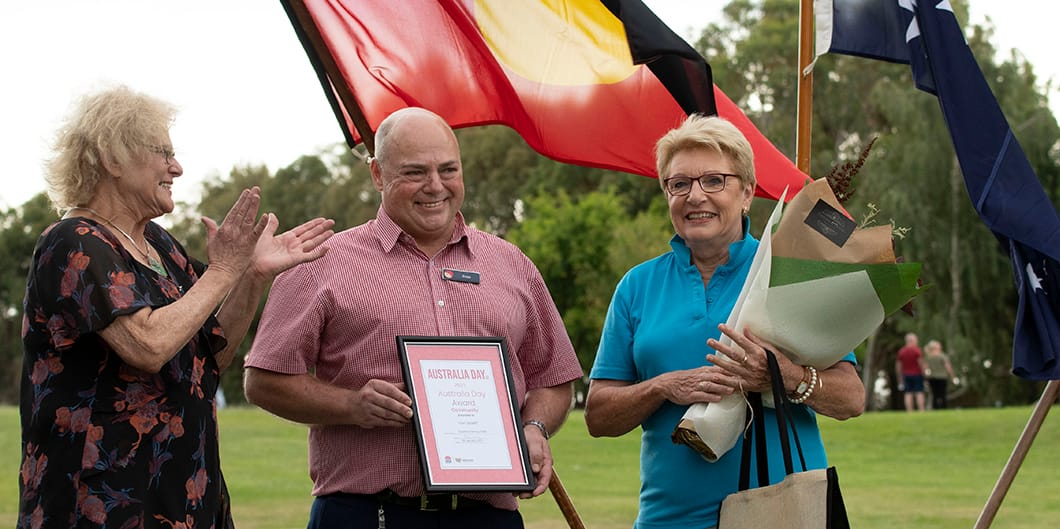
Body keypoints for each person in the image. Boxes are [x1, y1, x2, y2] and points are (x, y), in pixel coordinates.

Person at [243, 107, 583, 529]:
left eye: (448, 169)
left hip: (487, 518)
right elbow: (263, 381)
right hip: (368, 515)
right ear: (377, 174)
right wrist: (350, 405)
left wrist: (533, 428)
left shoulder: (511, 264)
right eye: (415, 172)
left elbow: (554, 376)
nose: (435, 186)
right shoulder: (320, 263)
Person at [17, 85, 335, 529]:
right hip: (100, 506)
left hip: (183, 499)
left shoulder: (161, 247)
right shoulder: (73, 242)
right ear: (112, 158)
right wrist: (224, 271)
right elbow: (148, 345)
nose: (177, 167)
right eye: (163, 152)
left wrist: (252, 276)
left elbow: (208, 358)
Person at [584, 114, 865, 529]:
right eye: (679, 184)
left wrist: (781, 376)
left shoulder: (787, 270)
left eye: (714, 180)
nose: (695, 196)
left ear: (748, 192)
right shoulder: (636, 286)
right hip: (669, 519)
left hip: (783, 515)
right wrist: (664, 386)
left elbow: (851, 398)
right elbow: (598, 416)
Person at [895, 332, 926, 412]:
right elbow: (920, 363)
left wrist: (900, 378)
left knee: (908, 393)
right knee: (919, 392)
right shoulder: (917, 350)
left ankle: (909, 411)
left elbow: (898, 366)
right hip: (917, 374)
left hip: (906, 375)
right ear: (912, 340)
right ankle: (921, 410)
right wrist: (924, 373)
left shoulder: (902, 351)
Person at [923, 339, 958, 409]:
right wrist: (952, 376)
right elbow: (948, 367)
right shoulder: (942, 356)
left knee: (934, 394)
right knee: (943, 393)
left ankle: (935, 407)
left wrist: (926, 377)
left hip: (932, 377)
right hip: (942, 377)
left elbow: (925, 368)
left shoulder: (928, 357)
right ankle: (944, 407)